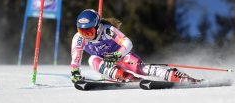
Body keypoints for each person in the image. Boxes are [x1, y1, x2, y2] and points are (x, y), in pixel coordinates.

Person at [70, 9, 201, 83]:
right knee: (92, 59)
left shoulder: (108, 30)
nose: (85, 35)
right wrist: (75, 71)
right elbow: (76, 55)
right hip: (107, 65)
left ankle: (180, 77)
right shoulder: (79, 38)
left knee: (143, 69)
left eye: (89, 31)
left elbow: (128, 43)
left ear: (98, 27)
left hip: (121, 57)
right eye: (82, 31)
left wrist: (117, 55)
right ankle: (124, 76)